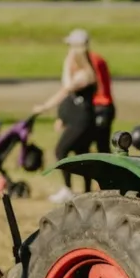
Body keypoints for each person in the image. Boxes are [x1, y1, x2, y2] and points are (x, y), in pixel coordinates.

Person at [33, 35, 98, 203]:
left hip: (82, 122)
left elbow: (66, 87)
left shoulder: (85, 75)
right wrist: (59, 115)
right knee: (81, 154)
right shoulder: (83, 74)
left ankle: (69, 189)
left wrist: (67, 63)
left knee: (61, 150)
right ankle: (86, 191)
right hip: (77, 120)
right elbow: (68, 98)